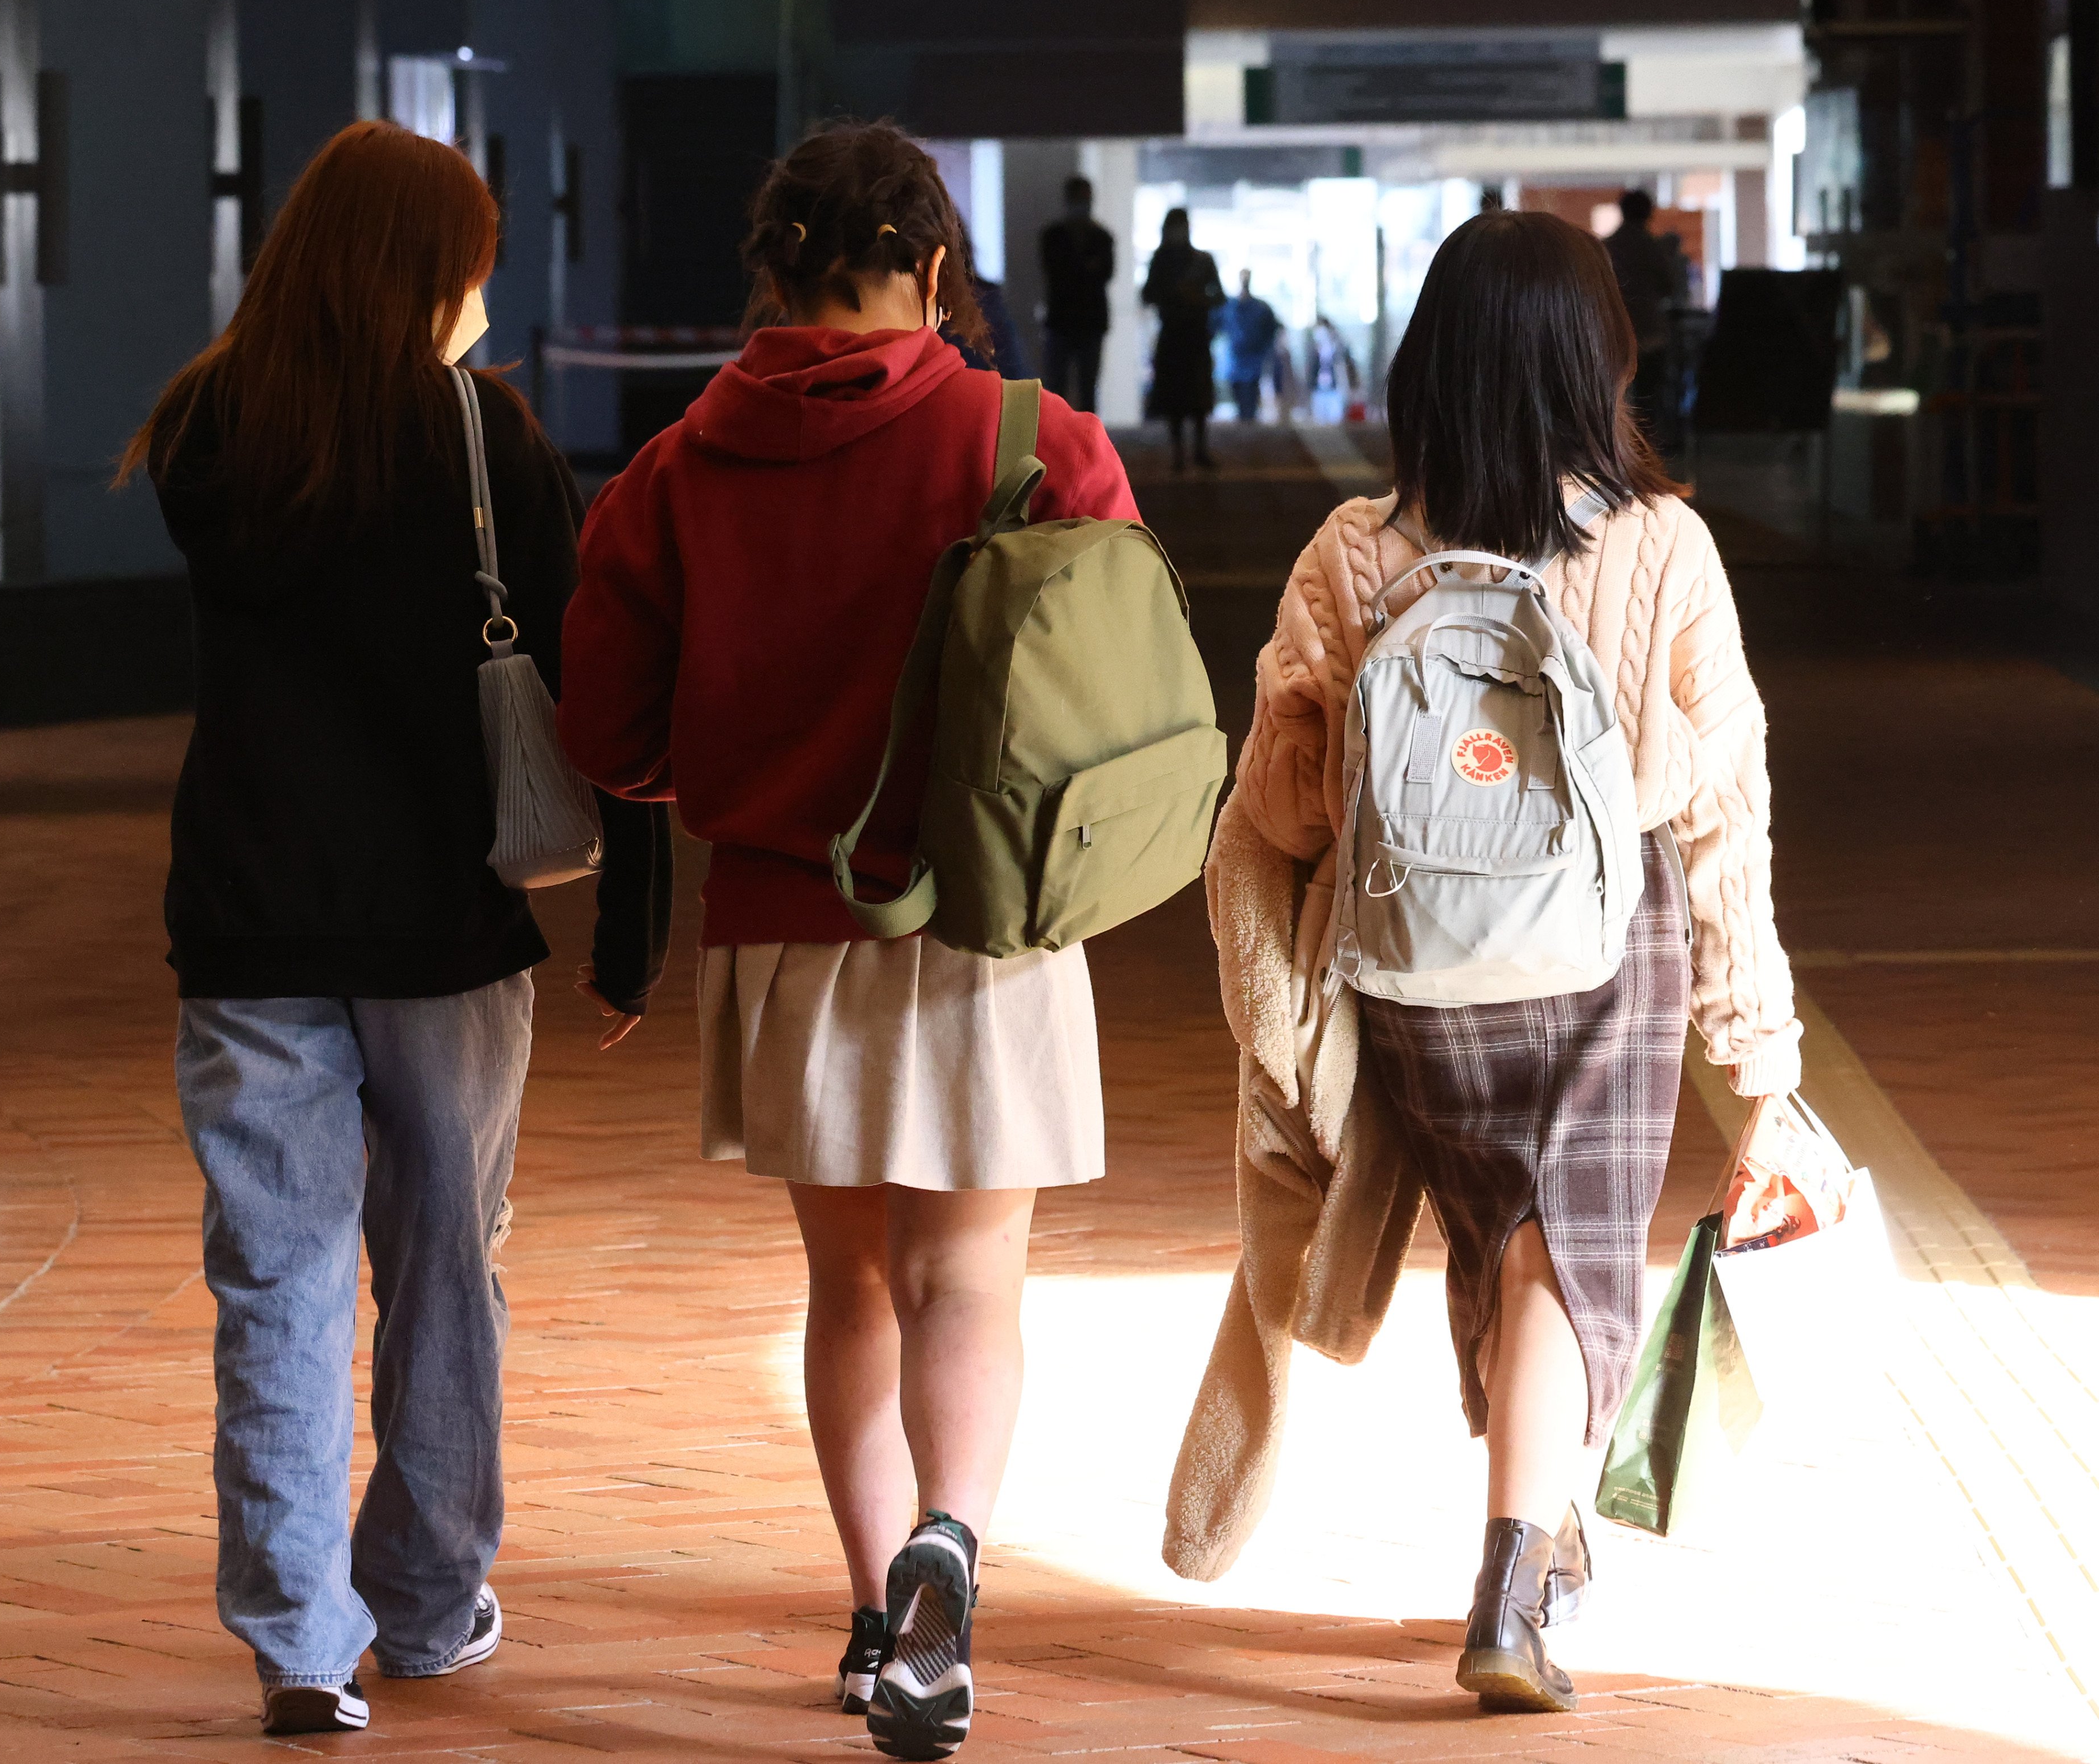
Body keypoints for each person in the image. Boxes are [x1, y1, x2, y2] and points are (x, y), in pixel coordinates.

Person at [558, 119, 1137, 1763]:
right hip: (988, 921)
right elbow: (1122, 677)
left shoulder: (677, 465)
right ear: (936, 268)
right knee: (971, 1275)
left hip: (786, 926)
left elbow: (607, 726)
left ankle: (882, 1602)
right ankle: (954, 1543)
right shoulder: (1035, 439)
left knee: (851, 1283)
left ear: (774, 275)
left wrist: (734, 760)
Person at [117, 120, 670, 1737]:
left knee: (272, 1274)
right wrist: (623, 934)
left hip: (247, 917)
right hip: (442, 924)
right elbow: (599, 690)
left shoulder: (213, 423)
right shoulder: (476, 433)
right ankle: (427, 1603)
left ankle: (299, 1638)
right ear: (438, 267)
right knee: (442, 1269)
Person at [1231, 211, 1801, 1713]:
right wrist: (1758, 1084)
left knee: (1504, 1240)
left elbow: (1280, 811)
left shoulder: (1355, 553)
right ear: (1592, 361)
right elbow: (1720, 817)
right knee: (1561, 1246)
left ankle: (1531, 1528)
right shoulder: (1663, 543)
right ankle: (1510, 1573)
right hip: (1609, 955)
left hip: (1423, 967)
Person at [1140, 207, 1225, 471]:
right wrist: (1172, 293)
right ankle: (1179, 451)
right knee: (1174, 396)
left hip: (1196, 334)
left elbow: (1220, 297)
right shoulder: (1161, 261)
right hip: (1173, 334)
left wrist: (1198, 297)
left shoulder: (1202, 261)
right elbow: (1147, 295)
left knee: (1198, 395)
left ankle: (1199, 448)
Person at [1602, 189, 1685, 449]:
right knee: (1650, 401)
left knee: (1615, 400)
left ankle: (1618, 449)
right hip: (1650, 335)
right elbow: (1669, 286)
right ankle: (1648, 449)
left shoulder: (1608, 247)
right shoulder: (1652, 247)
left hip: (1615, 336)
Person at [1038, 174, 1112, 410]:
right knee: (1056, 389)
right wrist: (1086, 267)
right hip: (1062, 320)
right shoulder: (1054, 236)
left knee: (1088, 387)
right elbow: (1054, 271)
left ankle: (1086, 440)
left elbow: (1106, 273)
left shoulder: (1102, 237)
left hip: (1090, 322)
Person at [1220, 269, 1281, 422]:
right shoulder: (1231, 307)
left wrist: (1266, 353)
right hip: (1236, 362)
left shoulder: (1261, 309)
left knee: (1250, 402)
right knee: (1241, 399)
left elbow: (1272, 331)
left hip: (1253, 362)